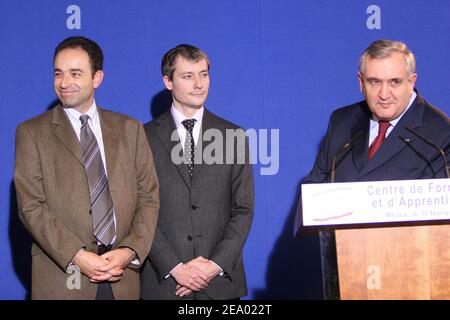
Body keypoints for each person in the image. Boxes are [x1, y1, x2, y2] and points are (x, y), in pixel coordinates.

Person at [14, 36, 159, 299]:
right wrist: (77, 255)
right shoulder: (31, 133)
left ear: (97, 78)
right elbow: (31, 206)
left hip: (122, 278)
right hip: (63, 279)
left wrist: (130, 251)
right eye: (58, 73)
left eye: (75, 73)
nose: (64, 82)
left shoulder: (130, 129)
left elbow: (148, 197)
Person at [140, 44, 254, 300]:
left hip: (220, 284)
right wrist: (175, 268)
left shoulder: (233, 136)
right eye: (188, 76)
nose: (199, 84)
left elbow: (243, 209)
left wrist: (213, 266)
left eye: (203, 74)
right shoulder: (143, 137)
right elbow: (140, 210)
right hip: (165, 285)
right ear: (168, 81)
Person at [304, 39, 449, 185]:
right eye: (375, 82)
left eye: (394, 82)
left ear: (411, 82)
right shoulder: (342, 121)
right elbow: (313, 189)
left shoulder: (441, 134)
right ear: (361, 82)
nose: (384, 94)